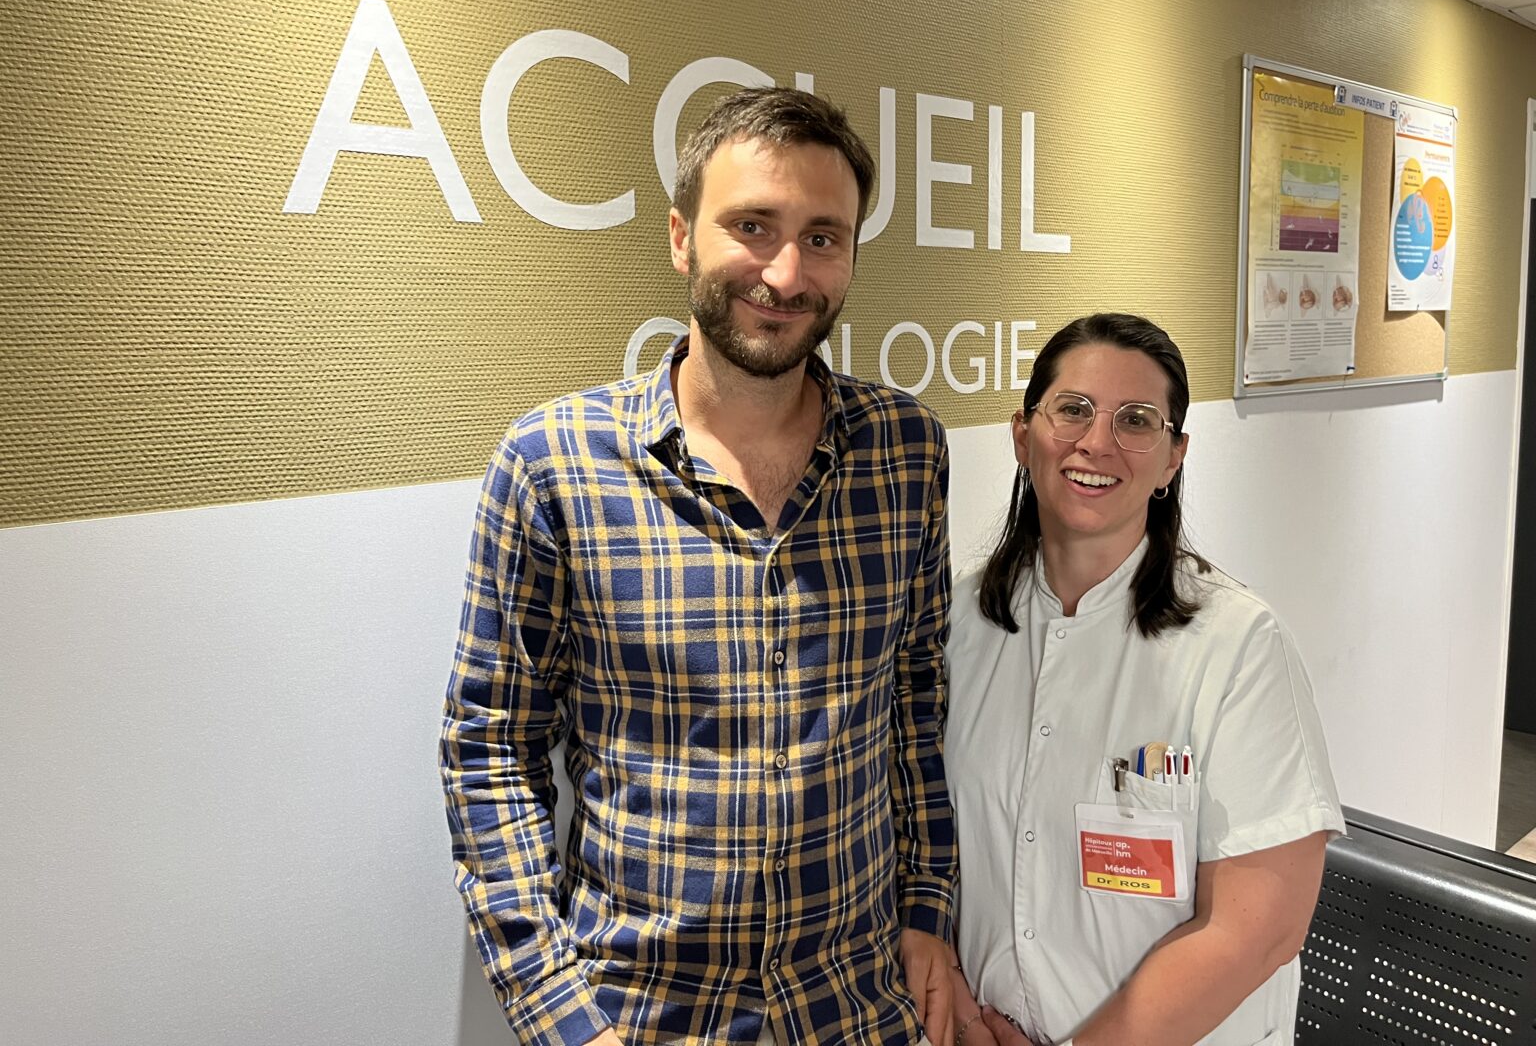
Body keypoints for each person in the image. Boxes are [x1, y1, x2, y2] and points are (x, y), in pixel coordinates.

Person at [441, 87, 957, 1046]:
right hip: (640, 1015)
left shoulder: (905, 451)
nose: (786, 273)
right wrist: (558, 1014)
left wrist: (928, 907)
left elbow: (914, 701)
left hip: (855, 1003)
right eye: (752, 226)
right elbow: (491, 749)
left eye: (822, 237)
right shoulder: (554, 464)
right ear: (681, 237)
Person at [944, 313, 1343, 1046]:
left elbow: (1260, 929)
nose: (1097, 442)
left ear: (1171, 460)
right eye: (1072, 409)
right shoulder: (955, 623)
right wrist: (965, 1019)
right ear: (1022, 436)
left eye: (1135, 420)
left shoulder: (1239, 647)